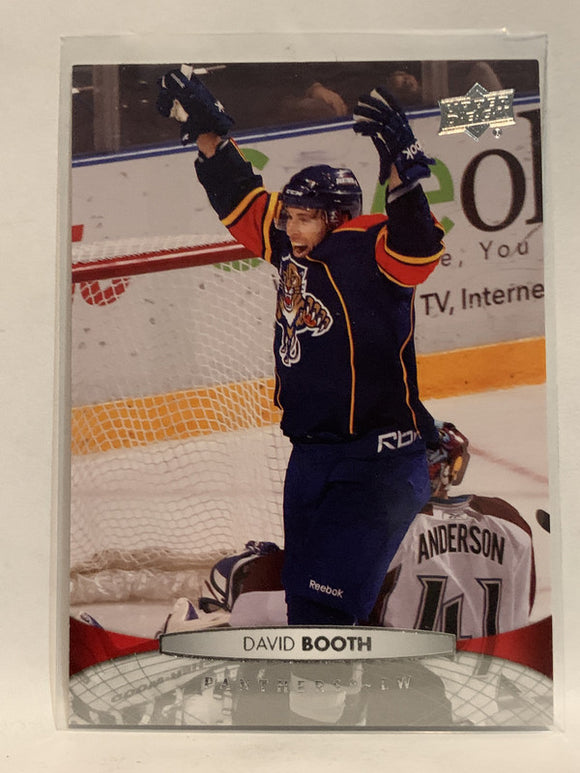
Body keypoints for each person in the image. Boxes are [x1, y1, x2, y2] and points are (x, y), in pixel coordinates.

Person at [156, 67, 445, 626]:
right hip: (311, 457)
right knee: (306, 605)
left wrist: (402, 167)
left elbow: (417, 246)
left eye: (305, 218)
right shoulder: (292, 248)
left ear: (338, 218)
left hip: (374, 464)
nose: (289, 226)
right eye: (289, 215)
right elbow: (241, 196)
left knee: (325, 617)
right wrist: (208, 132)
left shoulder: (369, 250)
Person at [180, 421, 535, 639]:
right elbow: (521, 612)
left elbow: (278, 611)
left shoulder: (382, 532)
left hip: (402, 691)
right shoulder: (511, 523)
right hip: (488, 688)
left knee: (240, 577)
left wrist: (255, 574)